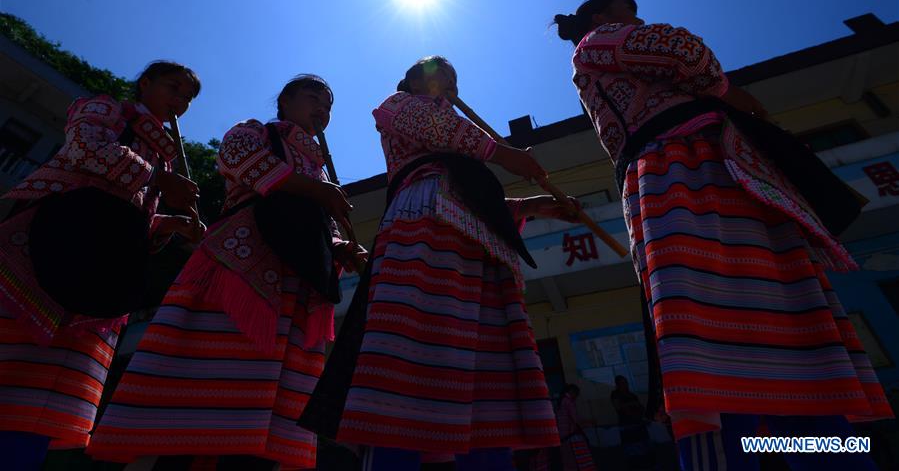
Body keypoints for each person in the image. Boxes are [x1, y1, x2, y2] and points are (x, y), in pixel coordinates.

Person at [554, 0, 893, 470]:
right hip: (684, 172)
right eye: (628, 11)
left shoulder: (605, 49)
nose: (638, 18)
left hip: (714, 169)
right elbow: (682, 51)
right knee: (716, 327)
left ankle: (813, 448)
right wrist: (724, 91)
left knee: (774, 329)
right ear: (601, 17)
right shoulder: (596, 43)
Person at [301, 56, 580, 471]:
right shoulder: (399, 107)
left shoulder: (462, 144)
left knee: (484, 361)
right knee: (412, 350)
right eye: (436, 76)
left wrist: (539, 205)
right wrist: (502, 153)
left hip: (476, 240)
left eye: (452, 80)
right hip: (425, 222)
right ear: (411, 81)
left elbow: (472, 197)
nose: (446, 84)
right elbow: (436, 134)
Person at [87, 75, 364, 470]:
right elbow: (236, 157)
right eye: (313, 98)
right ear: (284, 101)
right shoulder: (257, 132)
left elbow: (324, 228)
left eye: (329, 106)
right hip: (241, 263)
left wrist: (342, 248)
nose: (323, 109)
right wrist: (313, 189)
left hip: (297, 282)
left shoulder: (320, 172)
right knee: (208, 384)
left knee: (266, 403)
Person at [0, 60, 202, 470]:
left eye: (187, 97)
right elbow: (84, 146)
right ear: (144, 83)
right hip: (49, 242)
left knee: (50, 387)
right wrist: (160, 181)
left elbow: (133, 217)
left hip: (101, 266)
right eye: (173, 87)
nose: (179, 100)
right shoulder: (110, 109)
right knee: (11, 357)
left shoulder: (162, 157)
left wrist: (173, 225)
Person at [557, 384, 597, 471]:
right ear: (572, 392)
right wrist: (589, 423)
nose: (577, 397)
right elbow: (576, 420)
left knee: (568, 463)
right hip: (571, 437)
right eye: (577, 394)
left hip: (563, 437)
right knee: (580, 462)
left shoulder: (561, 402)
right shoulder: (569, 402)